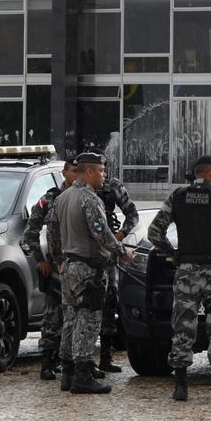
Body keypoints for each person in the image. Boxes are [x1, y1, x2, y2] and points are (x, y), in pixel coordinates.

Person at [148, 154, 211, 402]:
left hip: (186, 271)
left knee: (183, 326)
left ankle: (181, 387)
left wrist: (171, 254)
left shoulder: (178, 196)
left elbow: (154, 232)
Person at [45, 151, 132, 395]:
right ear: (90, 172)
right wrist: (121, 251)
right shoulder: (90, 199)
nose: (104, 176)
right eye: (101, 171)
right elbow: (102, 233)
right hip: (89, 268)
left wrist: (59, 259)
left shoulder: (63, 198)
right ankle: (83, 375)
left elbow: (52, 232)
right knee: (88, 319)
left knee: (71, 318)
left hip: (70, 267)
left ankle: (68, 372)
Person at [22, 159, 77, 381]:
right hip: (56, 267)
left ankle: (74, 362)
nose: (77, 175)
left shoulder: (89, 197)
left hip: (81, 266)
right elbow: (30, 233)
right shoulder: (50, 198)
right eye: (74, 171)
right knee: (53, 317)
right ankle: (47, 361)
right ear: (64, 173)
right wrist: (40, 260)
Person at [95, 159, 139, 373]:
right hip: (86, 252)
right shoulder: (77, 191)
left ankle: (105, 356)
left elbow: (132, 213)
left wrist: (120, 235)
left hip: (109, 254)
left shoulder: (112, 186)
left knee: (110, 301)